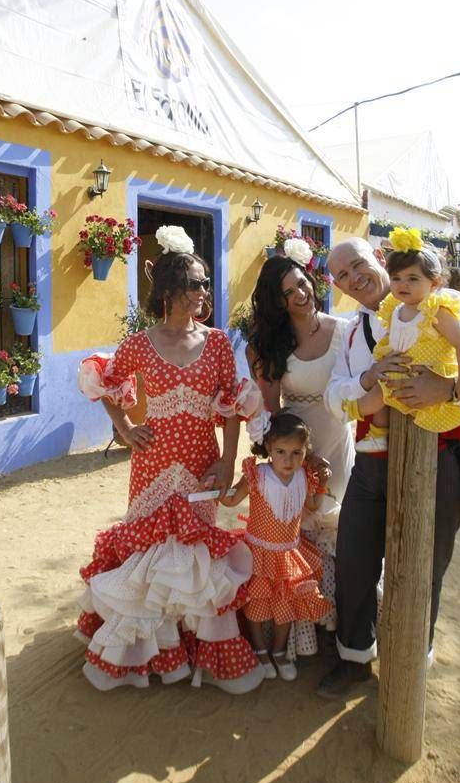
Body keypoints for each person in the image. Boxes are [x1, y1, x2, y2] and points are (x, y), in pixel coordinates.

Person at [76, 225, 266, 693]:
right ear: (167, 291)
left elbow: (231, 403)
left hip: (201, 463)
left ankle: (194, 645)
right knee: (150, 551)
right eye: (195, 284)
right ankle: (147, 653)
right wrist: (124, 429)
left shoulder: (219, 342)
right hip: (152, 464)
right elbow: (104, 382)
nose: (204, 292)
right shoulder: (139, 343)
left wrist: (227, 459)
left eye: (205, 283)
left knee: (195, 554)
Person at [318, 237, 460, 699]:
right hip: (374, 465)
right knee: (355, 561)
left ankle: (410, 669)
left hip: (438, 458)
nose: (353, 278)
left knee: (424, 567)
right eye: (341, 274)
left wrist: (450, 388)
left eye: (358, 265)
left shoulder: (446, 301)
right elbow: (333, 393)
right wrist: (366, 386)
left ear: (378, 259)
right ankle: (355, 658)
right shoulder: (353, 331)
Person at [246, 249, 356, 657]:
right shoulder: (268, 345)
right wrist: (303, 458)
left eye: (302, 282)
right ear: (276, 302)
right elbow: (272, 408)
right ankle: (303, 631)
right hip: (296, 451)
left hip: (338, 443)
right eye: (288, 291)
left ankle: (344, 623)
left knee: (342, 528)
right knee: (299, 531)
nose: (301, 293)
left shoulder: (344, 330)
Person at [219, 412, 333, 682]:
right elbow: (233, 500)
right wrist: (219, 489)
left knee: (286, 607)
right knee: (257, 606)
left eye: (296, 453)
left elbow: (313, 506)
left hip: (289, 555)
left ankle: (279, 651)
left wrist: (322, 485)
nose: (288, 459)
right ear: (269, 448)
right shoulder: (257, 474)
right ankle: (259, 650)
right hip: (257, 554)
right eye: (281, 451)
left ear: (305, 452)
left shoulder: (305, 476)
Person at [353, 227, 460, 453]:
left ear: (434, 283)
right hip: (401, 373)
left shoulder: (436, 310)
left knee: (424, 433)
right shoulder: (395, 308)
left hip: (428, 378)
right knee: (379, 394)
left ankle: (355, 411)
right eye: (396, 278)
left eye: (412, 278)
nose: (402, 285)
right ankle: (364, 421)